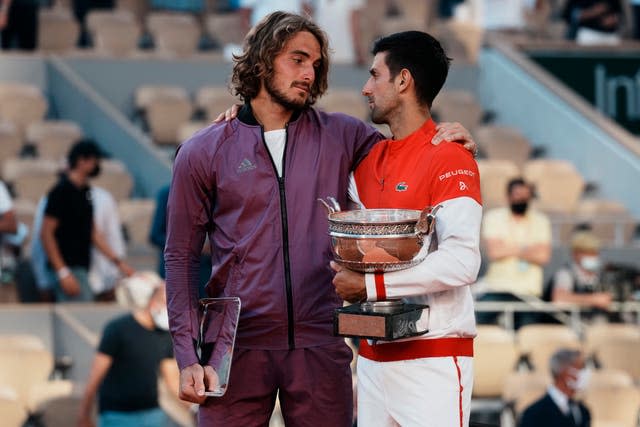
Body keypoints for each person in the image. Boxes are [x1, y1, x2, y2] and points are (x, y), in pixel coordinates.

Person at [165, 11, 475, 426]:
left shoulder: (344, 135)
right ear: (262, 60)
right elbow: (181, 257)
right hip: (235, 346)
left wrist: (452, 140)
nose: (310, 73)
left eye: (316, 64)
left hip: (320, 341)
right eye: (298, 59)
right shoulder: (204, 150)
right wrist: (187, 353)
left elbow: (409, 148)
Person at [330, 30, 482, 427]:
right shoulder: (366, 159)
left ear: (403, 81)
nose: (365, 88)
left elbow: (463, 262)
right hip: (373, 361)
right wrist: (240, 118)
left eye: (374, 75)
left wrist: (370, 288)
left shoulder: (451, 156)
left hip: (432, 363)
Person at [77, 276, 180, 427]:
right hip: (117, 415)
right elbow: (96, 375)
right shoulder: (117, 329)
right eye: (167, 305)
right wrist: (84, 414)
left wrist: (194, 408)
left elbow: (172, 380)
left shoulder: (165, 335)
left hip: (152, 413)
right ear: (153, 302)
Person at [41, 140, 134, 302]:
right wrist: (62, 272)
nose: (97, 165)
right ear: (81, 161)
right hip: (68, 269)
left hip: (82, 268)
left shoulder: (85, 192)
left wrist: (119, 263)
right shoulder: (61, 191)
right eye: (94, 160)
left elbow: (92, 232)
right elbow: (46, 233)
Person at [477, 177, 552, 329]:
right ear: (508, 196)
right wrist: (528, 249)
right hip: (498, 286)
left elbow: (543, 256)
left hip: (528, 291)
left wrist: (508, 248)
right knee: (478, 325)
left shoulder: (541, 220)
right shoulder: (494, 217)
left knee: (529, 335)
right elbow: (494, 252)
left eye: (526, 195)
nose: (522, 199)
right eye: (518, 195)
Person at [31, 186, 127, 302]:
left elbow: (98, 235)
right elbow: (44, 237)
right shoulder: (57, 195)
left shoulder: (95, 197)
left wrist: (118, 269)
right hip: (71, 275)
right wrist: (61, 274)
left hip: (95, 278)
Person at [518, 348, 591, 427]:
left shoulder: (582, 411)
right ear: (565, 373)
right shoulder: (533, 414)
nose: (585, 373)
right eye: (580, 368)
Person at [549, 230, 612, 316]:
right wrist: (594, 299)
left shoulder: (600, 276)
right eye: (587, 252)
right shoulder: (565, 274)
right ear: (575, 253)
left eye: (594, 252)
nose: (592, 256)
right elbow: (559, 298)